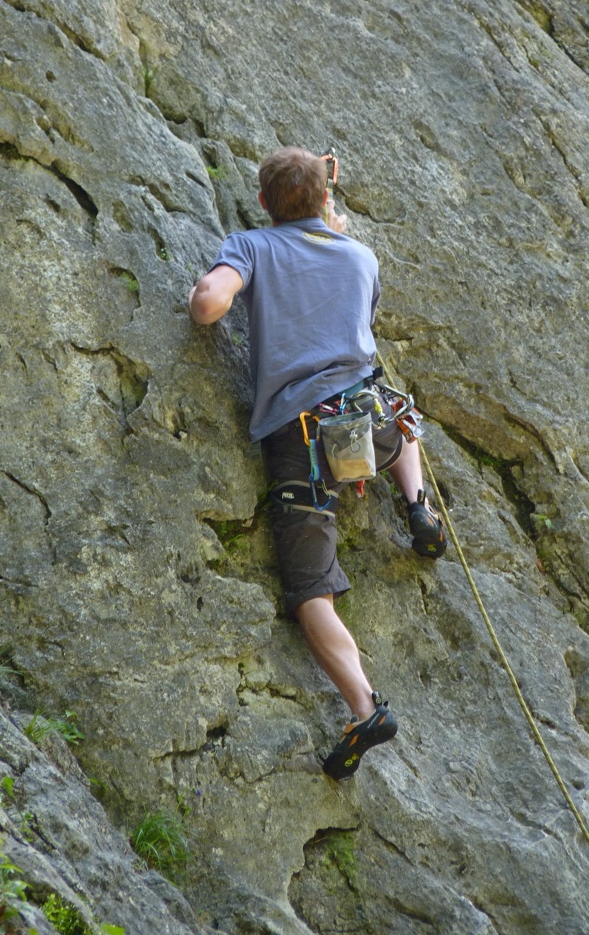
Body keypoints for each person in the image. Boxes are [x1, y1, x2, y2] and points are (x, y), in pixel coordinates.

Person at [188, 146, 446, 779]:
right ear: (326, 198)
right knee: (402, 413)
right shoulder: (360, 256)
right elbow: (345, 291)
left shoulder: (250, 246)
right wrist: (326, 207)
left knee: (310, 592)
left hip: (301, 441)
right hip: (369, 423)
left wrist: (214, 287)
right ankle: (417, 505)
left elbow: (208, 304)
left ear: (263, 203)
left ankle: (364, 707)